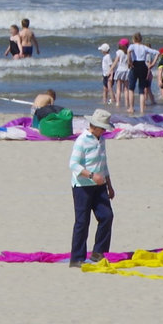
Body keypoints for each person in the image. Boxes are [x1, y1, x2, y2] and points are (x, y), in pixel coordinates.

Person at [68, 108, 116, 267]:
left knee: (107, 216)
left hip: (100, 185)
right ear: (94, 126)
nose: (103, 131)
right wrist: (91, 175)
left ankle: (98, 252)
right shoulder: (82, 140)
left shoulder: (101, 140)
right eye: (102, 128)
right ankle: (77, 258)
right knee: (82, 221)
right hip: (82, 186)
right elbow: (73, 164)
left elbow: (104, 164)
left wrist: (109, 185)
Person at [126, 32, 157, 115]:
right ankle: (142, 110)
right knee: (141, 90)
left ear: (133, 39)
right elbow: (157, 52)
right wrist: (153, 63)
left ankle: (131, 108)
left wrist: (129, 62)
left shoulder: (132, 46)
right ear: (141, 39)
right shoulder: (144, 47)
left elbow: (128, 52)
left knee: (131, 88)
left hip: (135, 65)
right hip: (143, 66)